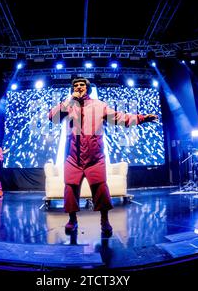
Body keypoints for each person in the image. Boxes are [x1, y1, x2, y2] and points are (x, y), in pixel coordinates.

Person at [48, 77, 158, 236]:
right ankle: (72, 220)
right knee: (70, 189)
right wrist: (70, 100)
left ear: (88, 88)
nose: (79, 87)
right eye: (76, 85)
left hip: (95, 157)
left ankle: (104, 220)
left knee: (101, 189)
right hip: (73, 158)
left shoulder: (99, 106)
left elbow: (122, 119)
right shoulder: (68, 106)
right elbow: (52, 117)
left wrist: (142, 118)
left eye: (82, 85)